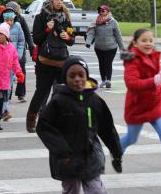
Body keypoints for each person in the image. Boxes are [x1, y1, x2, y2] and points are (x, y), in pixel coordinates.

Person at [36, 56, 123, 194]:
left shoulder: (95, 101)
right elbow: (44, 127)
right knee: (72, 190)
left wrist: (116, 152)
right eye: (72, 76)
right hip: (67, 159)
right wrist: (61, 150)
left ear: (87, 77)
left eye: (81, 75)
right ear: (65, 78)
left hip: (90, 156)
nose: (77, 79)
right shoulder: (58, 101)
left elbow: (107, 128)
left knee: (96, 190)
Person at [120, 28, 161, 183]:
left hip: (155, 103)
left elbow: (157, 74)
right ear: (135, 43)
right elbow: (132, 84)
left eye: (151, 40)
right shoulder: (131, 60)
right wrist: (154, 81)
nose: (148, 44)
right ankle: (117, 153)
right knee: (131, 138)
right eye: (144, 40)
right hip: (137, 106)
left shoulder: (153, 56)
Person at [26, 0, 75, 133]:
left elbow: (71, 40)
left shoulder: (65, 17)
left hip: (61, 60)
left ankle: (57, 120)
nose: (59, 2)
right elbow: (37, 39)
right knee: (41, 92)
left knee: (62, 93)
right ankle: (31, 119)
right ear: (50, 0)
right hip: (45, 60)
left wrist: (68, 37)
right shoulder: (41, 17)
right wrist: (47, 29)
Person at [0, 23, 25, 130]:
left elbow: (15, 62)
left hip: (5, 79)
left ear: (6, 36)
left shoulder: (11, 48)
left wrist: (19, 73)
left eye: (1, 34)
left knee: (3, 101)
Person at [85, 5, 125, 89]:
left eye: (103, 11)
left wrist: (122, 48)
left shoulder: (113, 22)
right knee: (101, 63)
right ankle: (103, 80)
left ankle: (108, 80)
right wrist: (88, 42)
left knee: (108, 63)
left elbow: (118, 36)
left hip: (111, 47)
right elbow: (91, 33)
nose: (101, 12)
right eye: (100, 11)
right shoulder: (95, 21)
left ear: (107, 11)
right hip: (99, 47)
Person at [6, 1, 34, 102]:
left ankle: (21, 93)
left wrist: (31, 48)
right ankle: (7, 94)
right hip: (7, 50)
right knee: (8, 72)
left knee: (21, 71)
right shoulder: (3, 19)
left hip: (20, 50)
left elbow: (27, 34)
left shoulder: (21, 19)